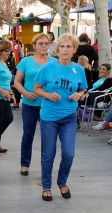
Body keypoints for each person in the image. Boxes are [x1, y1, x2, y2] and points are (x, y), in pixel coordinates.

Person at [34, 33, 87, 201]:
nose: (65, 50)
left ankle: (62, 182)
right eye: (62, 46)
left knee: (69, 153)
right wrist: (48, 95)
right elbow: (36, 88)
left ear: (74, 50)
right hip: (49, 117)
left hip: (69, 117)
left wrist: (79, 94)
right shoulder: (48, 68)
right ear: (57, 50)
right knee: (48, 153)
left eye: (69, 46)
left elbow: (83, 90)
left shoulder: (78, 69)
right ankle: (46, 186)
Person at [14, 33, 57, 176]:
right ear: (34, 46)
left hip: (47, 105)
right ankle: (24, 164)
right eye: (40, 43)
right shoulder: (26, 62)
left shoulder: (53, 62)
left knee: (47, 137)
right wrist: (25, 93)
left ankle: (45, 166)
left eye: (46, 43)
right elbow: (17, 82)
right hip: (29, 104)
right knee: (28, 134)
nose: (44, 46)